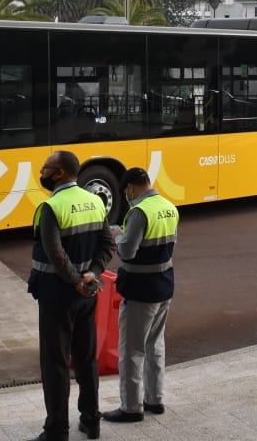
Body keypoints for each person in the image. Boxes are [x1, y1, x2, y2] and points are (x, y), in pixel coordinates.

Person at [28, 150, 113, 441]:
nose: (42, 171)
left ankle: (57, 430)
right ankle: (91, 421)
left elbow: (55, 253)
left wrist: (75, 280)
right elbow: (106, 244)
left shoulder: (50, 207)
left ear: (60, 173)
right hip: (88, 293)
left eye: (46, 167)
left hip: (57, 293)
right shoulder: (95, 201)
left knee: (55, 362)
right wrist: (94, 274)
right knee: (86, 358)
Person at [102, 168, 179, 424]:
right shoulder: (169, 207)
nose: (127, 196)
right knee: (155, 346)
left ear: (131, 188)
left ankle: (131, 407)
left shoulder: (139, 212)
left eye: (126, 192)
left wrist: (116, 235)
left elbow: (127, 251)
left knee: (132, 350)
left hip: (140, 290)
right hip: (164, 286)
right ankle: (155, 400)